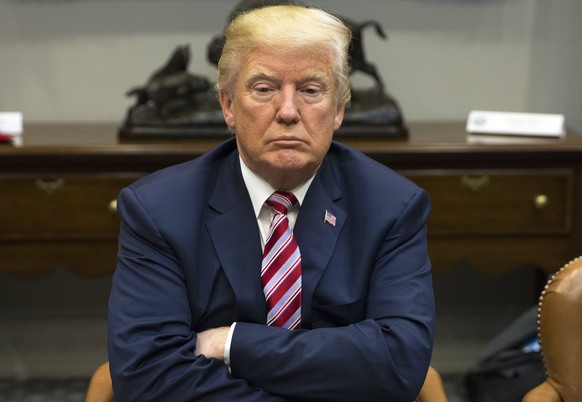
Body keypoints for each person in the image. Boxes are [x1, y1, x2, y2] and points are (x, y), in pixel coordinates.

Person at [108, 5, 435, 402]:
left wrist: (232, 344)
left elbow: (400, 361)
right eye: (264, 89)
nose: (287, 112)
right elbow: (149, 377)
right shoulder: (158, 210)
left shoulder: (392, 206)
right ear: (228, 105)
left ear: (339, 110)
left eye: (311, 91)